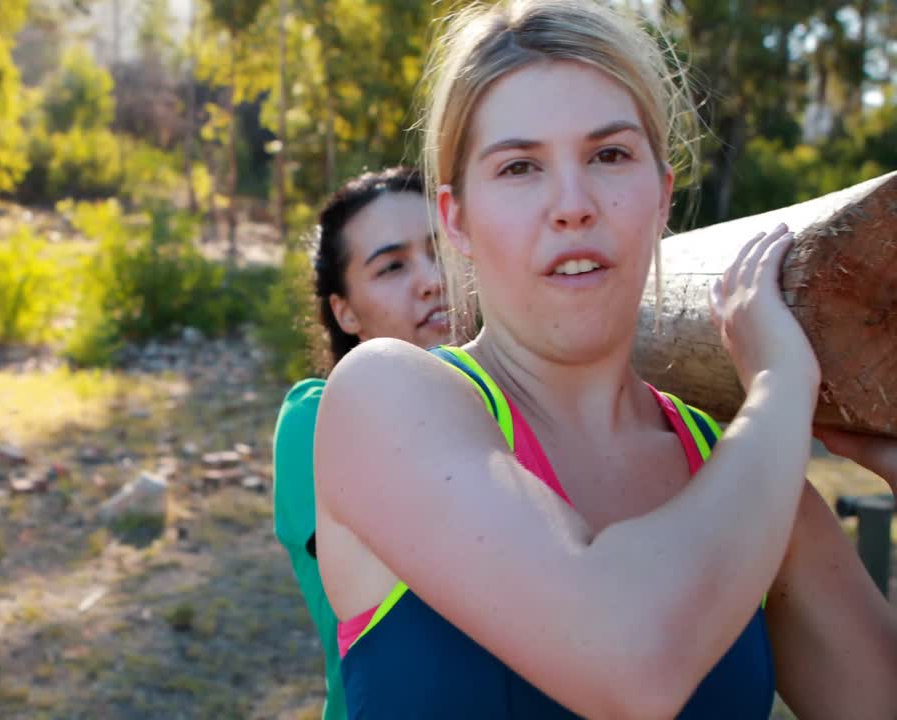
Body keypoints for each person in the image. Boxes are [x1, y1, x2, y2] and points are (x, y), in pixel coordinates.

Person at [312, 1, 897, 718]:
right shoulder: (383, 398)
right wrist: (779, 386)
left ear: (661, 197)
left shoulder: (736, 468)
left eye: (609, 155)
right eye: (520, 166)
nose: (573, 204)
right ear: (457, 219)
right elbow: (631, 667)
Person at [272, 166, 448, 720]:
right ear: (345, 311)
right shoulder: (317, 421)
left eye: (441, 250)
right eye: (392, 266)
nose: (431, 279)